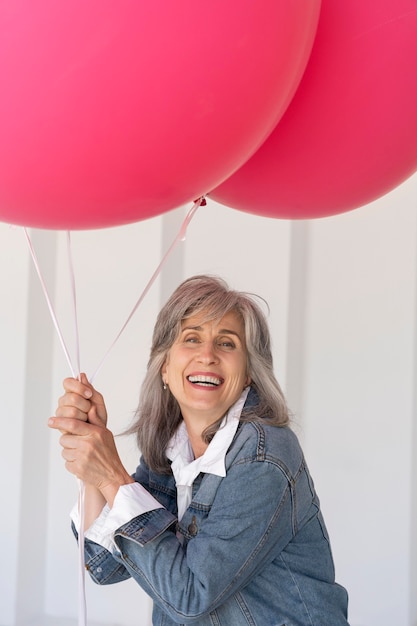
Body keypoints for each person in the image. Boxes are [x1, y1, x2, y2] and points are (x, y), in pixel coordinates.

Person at [48, 274, 349, 625]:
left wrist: (112, 474)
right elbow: (106, 564)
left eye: (227, 343)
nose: (207, 356)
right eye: (191, 339)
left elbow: (190, 596)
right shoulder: (169, 452)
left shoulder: (264, 455)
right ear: (164, 366)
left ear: (250, 372)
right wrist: (92, 469)